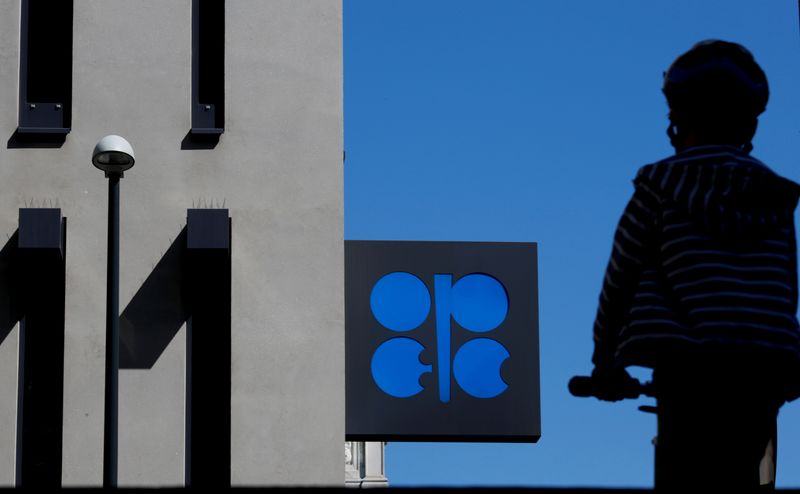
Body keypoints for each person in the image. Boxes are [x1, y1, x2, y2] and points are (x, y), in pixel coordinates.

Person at [589, 39, 800, 489]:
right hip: (761, 371)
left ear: (676, 120)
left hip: (690, 371)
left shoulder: (658, 186)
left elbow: (620, 278)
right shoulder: (774, 196)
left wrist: (605, 362)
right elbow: (787, 289)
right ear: (749, 123)